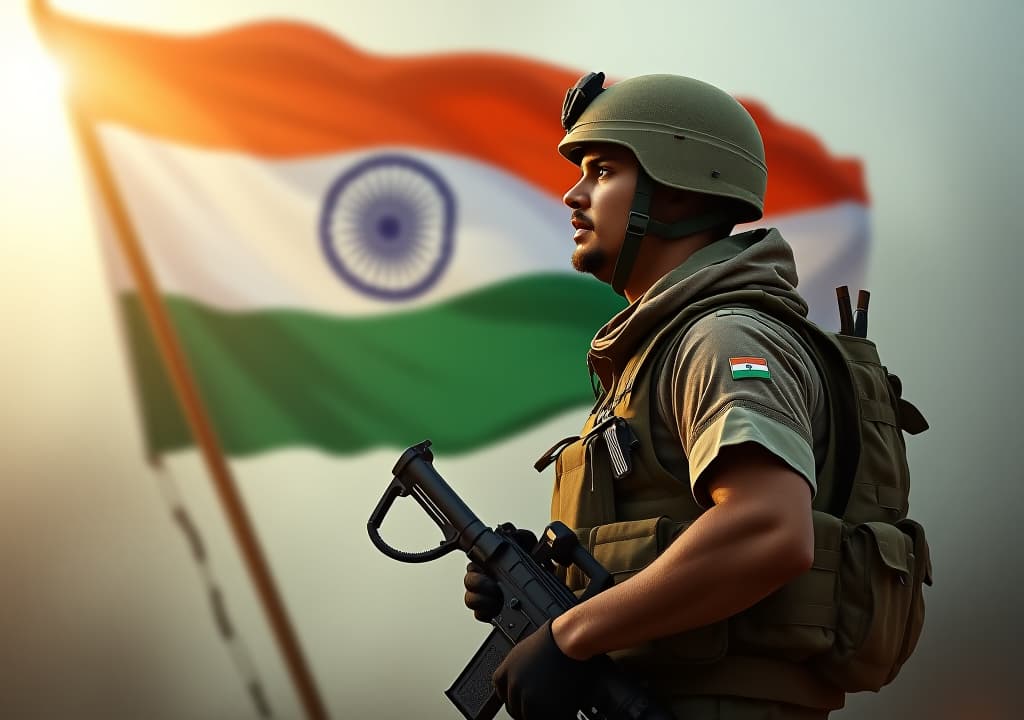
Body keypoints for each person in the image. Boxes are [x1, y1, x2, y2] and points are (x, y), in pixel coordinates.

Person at [464, 72, 845, 719]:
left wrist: (569, 635)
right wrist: (546, 591)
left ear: (673, 190)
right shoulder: (660, 351)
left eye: (603, 170)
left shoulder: (721, 338)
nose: (573, 194)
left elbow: (771, 528)